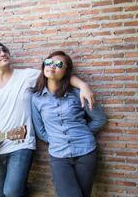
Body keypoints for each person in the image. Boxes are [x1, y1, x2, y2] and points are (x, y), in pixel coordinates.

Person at [0, 41, 95, 197]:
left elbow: (57, 73)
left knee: (12, 191)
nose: (3, 53)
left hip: (22, 142)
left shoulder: (27, 75)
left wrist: (83, 85)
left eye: (4, 49)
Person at [31, 51, 107, 197]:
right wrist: (56, 138)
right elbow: (40, 130)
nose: (52, 66)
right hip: (58, 156)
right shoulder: (36, 99)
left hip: (86, 152)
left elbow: (100, 119)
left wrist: (82, 133)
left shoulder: (78, 93)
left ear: (66, 71)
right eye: (48, 62)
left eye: (58, 64)